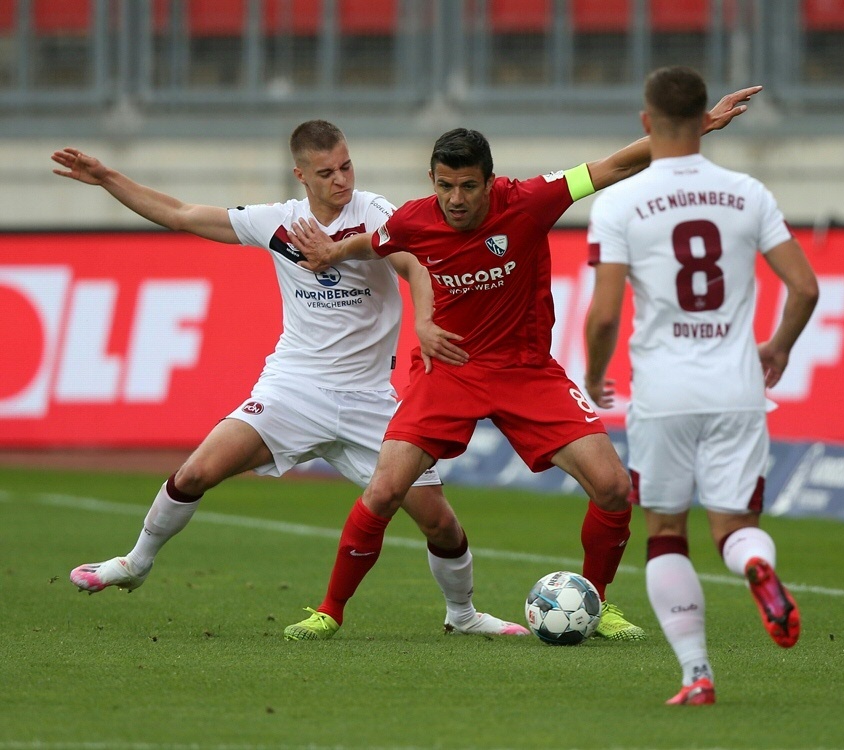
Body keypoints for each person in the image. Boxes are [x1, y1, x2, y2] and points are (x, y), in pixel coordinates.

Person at [282, 84, 763, 643]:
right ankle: (330, 611)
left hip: (525, 369)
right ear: (431, 183)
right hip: (449, 370)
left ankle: (598, 604)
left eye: (467, 186)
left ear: (490, 181)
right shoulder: (415, 220)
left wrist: (691, 129)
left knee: (612, 487)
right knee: (385, 490)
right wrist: (334, 252)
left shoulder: (533, 200)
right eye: (444, 186)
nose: (455, 199)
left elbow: (610, 167)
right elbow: (376, 241)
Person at [51, 120, 530, 638]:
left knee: (439, 522)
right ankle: (136, 562)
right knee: (194, 474)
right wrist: (107, 178)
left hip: (370, 400)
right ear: (301, 175)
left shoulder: (376, 212)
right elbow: (182, 214)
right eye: (326, 172)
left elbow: (415, 264)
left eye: (346, 166)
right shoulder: (278, 223)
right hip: (293, 391)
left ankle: (462, 614)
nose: (341, 180)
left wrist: (423, 321)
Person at [584, 66, 818, 704]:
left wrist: (596, 374)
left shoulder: (620, 204)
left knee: (665, 534)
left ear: (646, 122)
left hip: (663, 390)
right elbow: (805, 287)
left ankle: (696, 674)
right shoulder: (747, 192)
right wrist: (779, 346)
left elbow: (604, 314)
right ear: (702, 123)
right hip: (737, 384)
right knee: (734, 524)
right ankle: (754, 565)